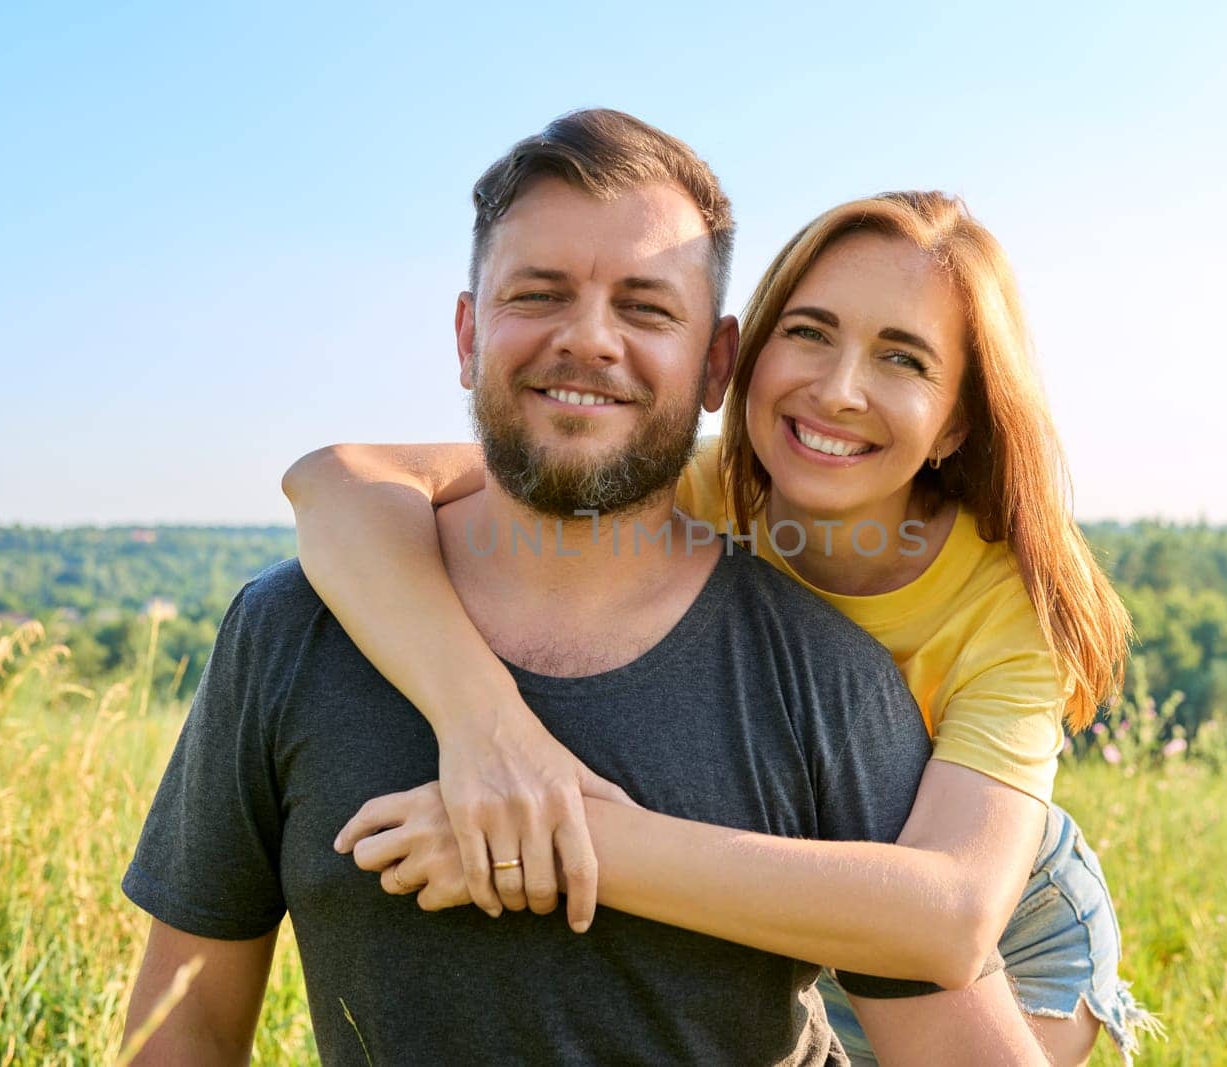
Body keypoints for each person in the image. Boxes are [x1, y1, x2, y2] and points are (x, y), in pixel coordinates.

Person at [121, 108, 1041, 1066]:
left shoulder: (837, 680)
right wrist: (487, 727)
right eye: (540, 292)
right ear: (469, 331)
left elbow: (961, 964)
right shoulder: (291, 630)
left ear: (716, 363)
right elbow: (180, 1028)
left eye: (647, 307)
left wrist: (570, 837)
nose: (590, 340)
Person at [284, 171, 1161, 1062]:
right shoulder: (693, 487)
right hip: (797, 921)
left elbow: (954, 917)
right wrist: (489, 733)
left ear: (953, 426)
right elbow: (337, 481)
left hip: (1011, 938)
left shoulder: (1007, 609)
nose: (839, 389)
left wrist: (546, 831)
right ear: (741, 355)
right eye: (810, 333)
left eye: (904, 358)